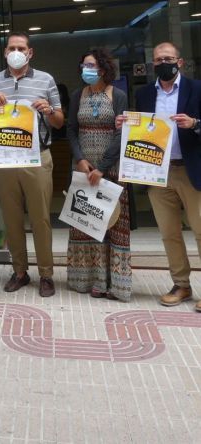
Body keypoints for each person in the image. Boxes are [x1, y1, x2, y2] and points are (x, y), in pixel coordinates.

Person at [0, 32, 63, 297]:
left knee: (40, 219)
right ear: (5, 52)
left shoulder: (45, 79)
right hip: (4, 158)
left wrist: (48, 110)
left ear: (30, 52)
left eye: (21, 48)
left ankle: (46, 274)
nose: (16, 51)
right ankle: (20, 271)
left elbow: (60, 121)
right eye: (11, 48)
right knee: (11, 219)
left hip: (36, 157)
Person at [120, 42, 201, 310]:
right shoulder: (144, 94)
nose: (163, 62)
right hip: (158, 172)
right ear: (152, 63)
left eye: (168, 58)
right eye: (158, 59)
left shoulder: (197, 89)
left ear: (179, 62)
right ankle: (181, 285)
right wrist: (125, 124)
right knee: (169, 232)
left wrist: (195, 124)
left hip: (191, 170)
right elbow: (142, 129)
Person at [66, 49, 131, 301]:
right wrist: (81, 160)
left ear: (102, 69)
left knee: (113, 224)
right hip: (83, 170)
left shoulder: (119, 96)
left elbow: (121, 133)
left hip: (110, 170)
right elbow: (71, 130)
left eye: (90, 65)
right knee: (87, 224)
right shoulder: (77, 95)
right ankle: (90, 281)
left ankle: (115, 284)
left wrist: (103, 167)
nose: (86, 69)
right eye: (83, 65)